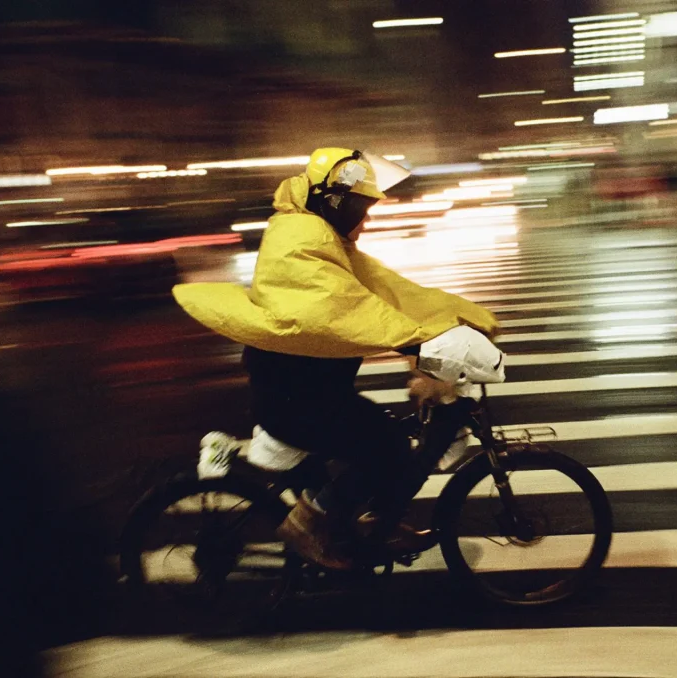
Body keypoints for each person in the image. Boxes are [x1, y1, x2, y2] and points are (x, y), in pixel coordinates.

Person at [173, 148, 502, 570]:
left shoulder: (319, 235)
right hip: (295, 400)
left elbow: (389, 291)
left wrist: (453, 318)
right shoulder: (302, 243)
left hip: (307, 390)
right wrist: (421, 346)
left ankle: (366, 523)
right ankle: (308, 524)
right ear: (336, 203)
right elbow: (345, 311)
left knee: (380, 440)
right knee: (388, 448)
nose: (365, 221)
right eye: (361, 210)